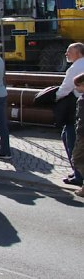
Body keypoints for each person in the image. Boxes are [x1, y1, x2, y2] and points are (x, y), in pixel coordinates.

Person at [56, 43, 84, 186]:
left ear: (78, 53)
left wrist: (55, 96)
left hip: (74, 106)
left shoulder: (74, 68)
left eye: (69, 51)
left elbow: (65, 88)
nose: (66, 53)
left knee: (70, 137)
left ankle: (78, 174)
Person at [71, 73, 84, 198]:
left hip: (83, 135)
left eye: (77, 86)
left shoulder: (82, 100)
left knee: (77, 158)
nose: (76, 88)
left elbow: (82, 119)